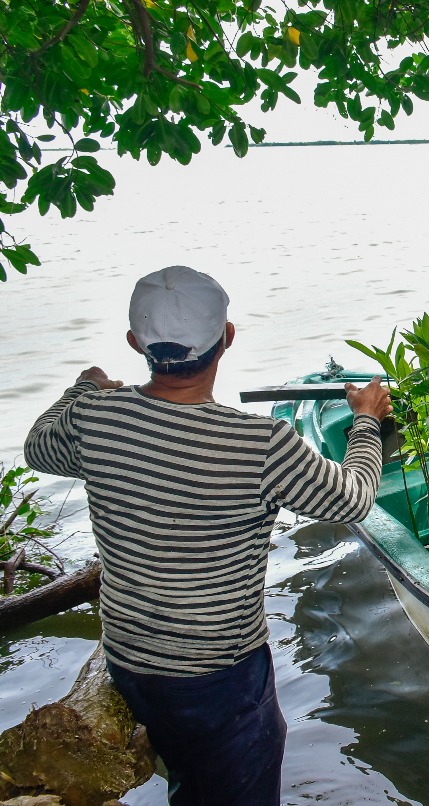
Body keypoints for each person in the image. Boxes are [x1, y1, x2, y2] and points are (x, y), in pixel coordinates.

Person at [23, 265, 391, 804]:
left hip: (129, 659)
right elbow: (353, 496)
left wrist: (81, 389)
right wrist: (365, 420)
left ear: (135, 344)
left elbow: (37, 446)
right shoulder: (260, 443)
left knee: (191, 785)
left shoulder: (93, 419)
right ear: (227, 339)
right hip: (218, 677)